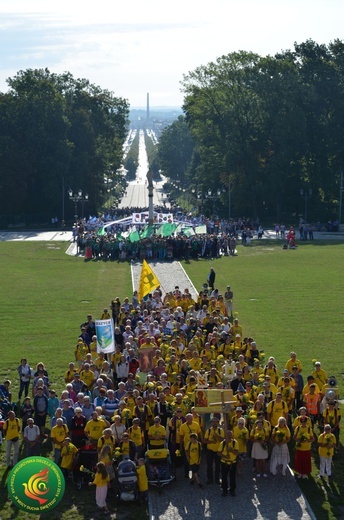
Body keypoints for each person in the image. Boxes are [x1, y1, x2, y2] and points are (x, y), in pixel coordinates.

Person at [203, 416, 224, 484]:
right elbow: (204, 441)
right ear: (211, 423)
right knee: (209, 465)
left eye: (216, 422)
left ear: (218, 423)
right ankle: (210, 479)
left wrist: (216, 436)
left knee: (218, 466)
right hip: (210, 450)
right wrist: (211, 442)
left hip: (218, 451)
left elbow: (222, 440)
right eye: (213, 422)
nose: (214, 423)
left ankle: (217, 479)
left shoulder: (221, 431)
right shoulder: (208, 431)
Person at [217, 430, 239, 497]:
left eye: (230, 435)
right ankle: (224, 490)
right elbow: (218, 453)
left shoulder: (235, 443)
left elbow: (237, 453)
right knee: (224, 476)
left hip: (233, 463)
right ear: (226, 435)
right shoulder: (222, 443)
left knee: (232, 477)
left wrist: (231, 450)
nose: (229, 436)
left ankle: (232, 490)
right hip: (224, 462)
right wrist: (225, 456)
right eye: (228, 435)